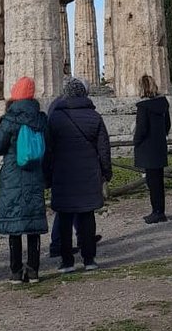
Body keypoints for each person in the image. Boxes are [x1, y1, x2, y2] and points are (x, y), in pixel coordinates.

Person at [45, 77, 112, 272]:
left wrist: (47, 175)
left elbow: (48, 150)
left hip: (63, 174)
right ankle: (89, 259)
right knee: (87, 216)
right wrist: (106, 172)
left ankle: (67, 262)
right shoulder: (95, 117)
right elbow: (104, 148)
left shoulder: (55, 118)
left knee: (65, 217)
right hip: (88, 174)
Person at [0, 77, 49, 284]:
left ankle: (15, 272)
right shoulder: (41, 119)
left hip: (13, 176)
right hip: (34, 175)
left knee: (14, 226)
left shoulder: (9, 120)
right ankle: (33, 271)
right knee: (33, 225)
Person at [133, 75, 171, 224]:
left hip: (147, 149)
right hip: (159, 147)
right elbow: (167, 126)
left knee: (151, 181)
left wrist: (136, 142)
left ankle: (156, 212)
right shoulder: (163, 104)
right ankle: (160, 211)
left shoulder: (143, 107)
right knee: (158, 182)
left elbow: (141, 129)